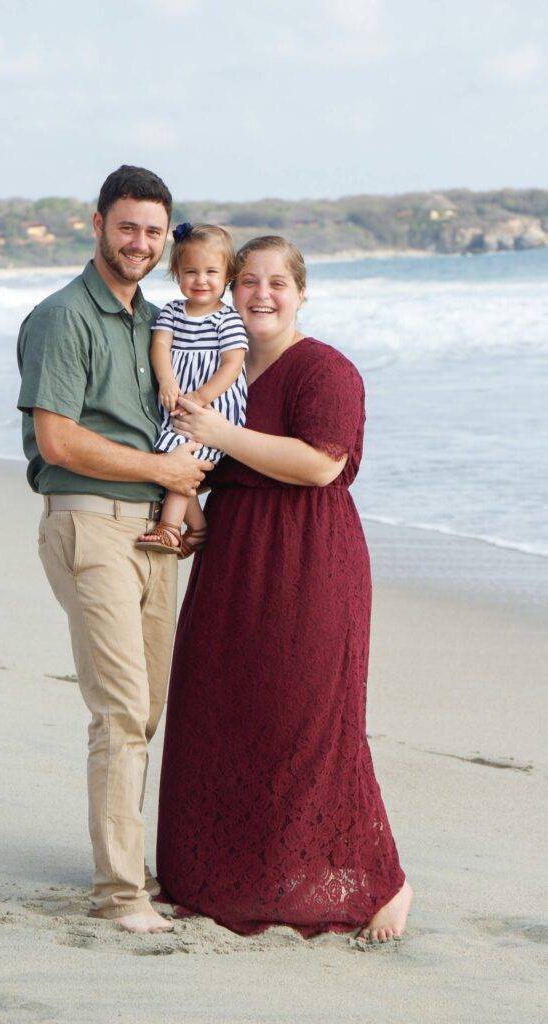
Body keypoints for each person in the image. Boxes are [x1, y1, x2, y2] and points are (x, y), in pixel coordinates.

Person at [156, 235, 413, 941]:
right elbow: (190, 455)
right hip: (231, 558)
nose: (260, 294)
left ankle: (383, 883)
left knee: (306, 720)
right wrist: (191, 506)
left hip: (307, 560)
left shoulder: (325, 369)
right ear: (227, 291)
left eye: (276, 283)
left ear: (300, 293)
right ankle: (226, 879)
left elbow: (319, 466)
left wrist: (217, 433)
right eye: (247, 282)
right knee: (223, 713)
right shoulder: (219, 370)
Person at [16, 165, 213, 935]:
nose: (139, 242)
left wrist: (182, 496)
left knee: (147, 710)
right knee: (121, 710)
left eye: (153, 231)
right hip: (87, 524)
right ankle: (118, 893)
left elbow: (172, 428)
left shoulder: (152, 321)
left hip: (151, 534)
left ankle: (131, 867)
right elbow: (57, 439)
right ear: (96, 224)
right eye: (126, 226)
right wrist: (161, 471)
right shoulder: (64, 318)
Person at [137, 222, 248, 556]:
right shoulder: (172, 311)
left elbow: (233, 364)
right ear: (177, 273)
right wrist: (167, 380)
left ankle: (170, 528)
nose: (201, 280)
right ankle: (197, 527)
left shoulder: (226, 319)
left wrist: (202, 397)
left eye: (211, 271)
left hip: (213, 405)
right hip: (177, 400)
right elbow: (159, 347)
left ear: (228, 275)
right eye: (191, 271)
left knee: (180, 458)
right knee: (170, 458)